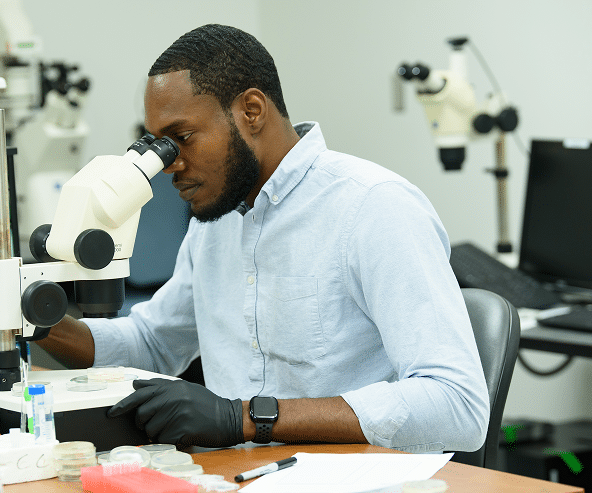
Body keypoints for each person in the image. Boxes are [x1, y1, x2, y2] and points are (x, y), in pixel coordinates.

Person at [37, 23, 490, 452]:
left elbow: (458, 405)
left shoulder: (374, 207)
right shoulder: (215, 222)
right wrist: (38, 318)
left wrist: (248, 418)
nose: (169, 164)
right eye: (157, 143)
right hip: (241, 475)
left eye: (182, 138)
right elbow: (153, 345)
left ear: (251, 111)